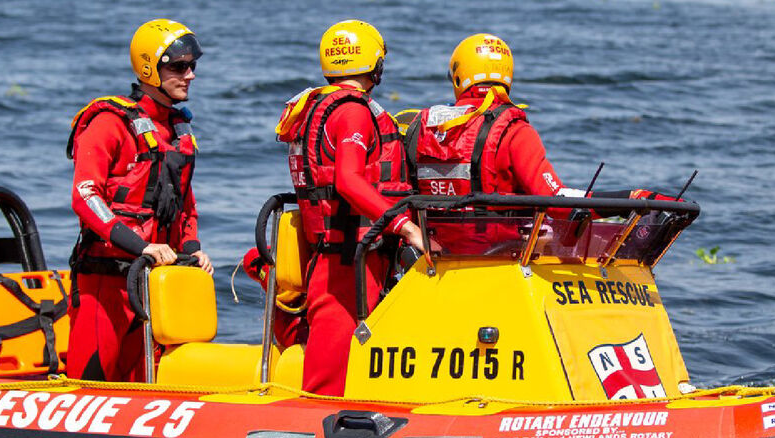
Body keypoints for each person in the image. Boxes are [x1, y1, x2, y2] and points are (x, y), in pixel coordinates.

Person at [274, 19, 426, 396]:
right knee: (328, 383)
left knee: (343, 369)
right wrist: (406, 227)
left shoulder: (318, 107)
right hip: (347, 263)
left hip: (340, 256)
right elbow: (348, 180)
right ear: (374, 63)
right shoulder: (353, 112)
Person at [65, 18, 213, 382]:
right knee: (92, 386)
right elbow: (85, 196)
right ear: (150, 68)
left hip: (155, 284)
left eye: (192, 66)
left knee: (144, 385)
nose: (190, 74)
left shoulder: (177, 131)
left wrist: (192, 247)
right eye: (179, 67)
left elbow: (184, 204)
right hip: (107, 284)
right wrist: (140, 246)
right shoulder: (109, 122)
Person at [403, 33, 677, 202]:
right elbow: (555, 200)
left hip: (432, 255)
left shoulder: (419, 125)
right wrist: (631, 198)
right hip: (496, 253)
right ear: (508, 75)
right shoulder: (513, 131)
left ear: (458, 77)